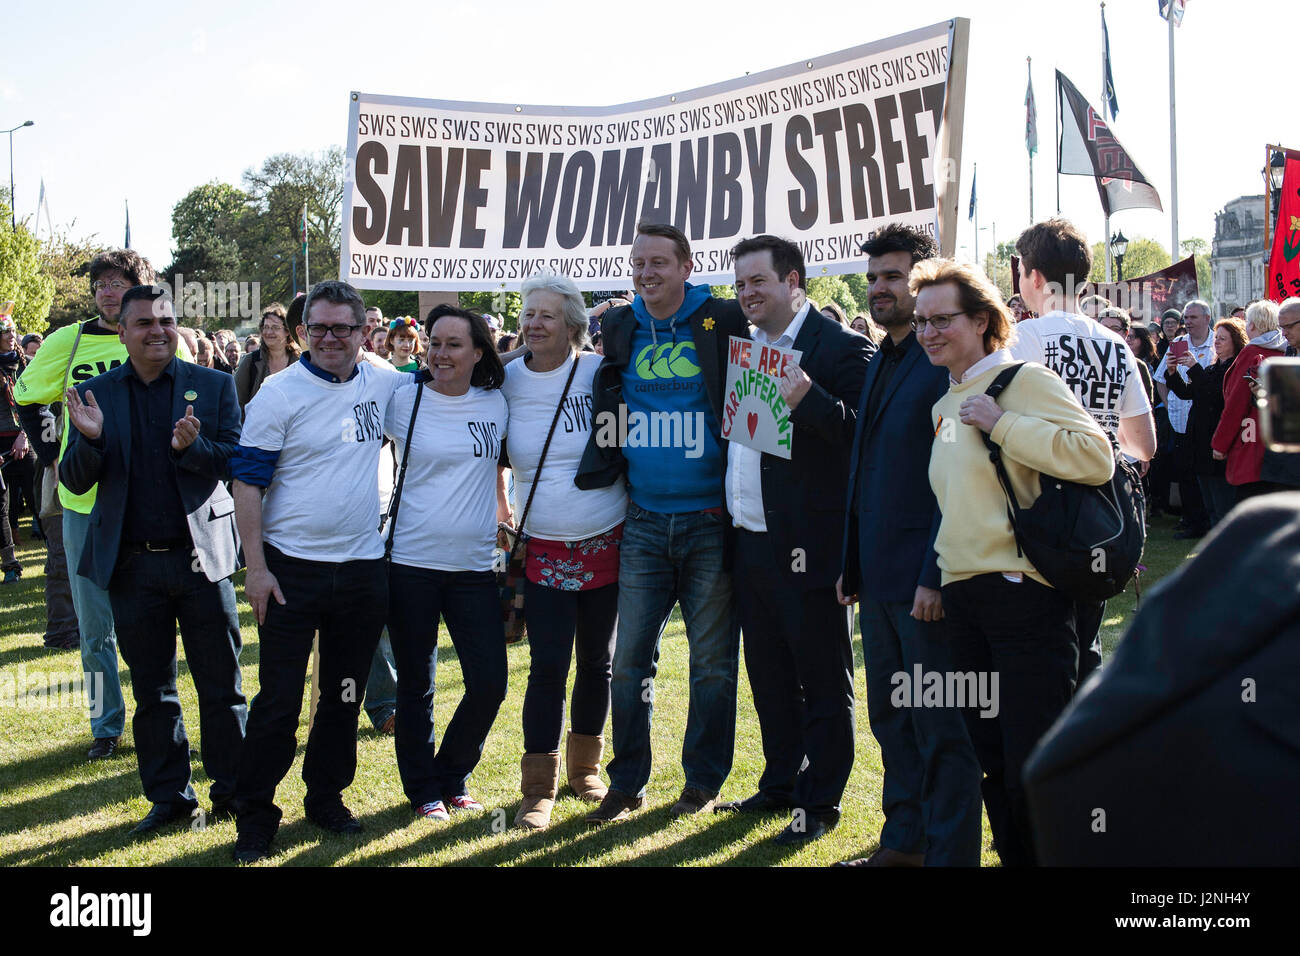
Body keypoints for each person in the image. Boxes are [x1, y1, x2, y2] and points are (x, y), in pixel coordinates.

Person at [914, 257, 1113, 866]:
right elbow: (956, 505)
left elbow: (1096, 455)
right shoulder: (945, 404)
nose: (927, 332)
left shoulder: (1022, 381)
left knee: (1035, 760)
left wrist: (1004, 425)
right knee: (994, 761)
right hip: (967, 603)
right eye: (921, 321)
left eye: (941, 319)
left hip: (1026, 599)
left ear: (982, 321)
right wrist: (940, 579)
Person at [228, 279, 404, 863]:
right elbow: (248, 483)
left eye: (343, 328)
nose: (331, 338)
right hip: (289, 571)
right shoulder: (278, 394)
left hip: (360, 570)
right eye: (319, 328)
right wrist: (255, 569)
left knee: (344, 695)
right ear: (303, 332)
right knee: (277, 702)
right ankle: (255, 814)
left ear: (364, 332)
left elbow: (455, 385)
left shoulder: (386, 381)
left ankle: (326, 796)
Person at [59, 285, 246, 834]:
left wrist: (195, 450)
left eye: (165, 319)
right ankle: (171, 800)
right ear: (122, 332)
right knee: (153, 690)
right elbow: (73, 478)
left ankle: (233, 792)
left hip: (201, 561)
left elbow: (235, 460)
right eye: (143, 323)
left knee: (223, 684)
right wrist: (90, 442)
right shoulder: (94, 395)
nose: (157, 330)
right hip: (133, 566)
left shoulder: (212, 386)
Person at [578, 221, 748, 824]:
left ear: (685, 264)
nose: (646, 274)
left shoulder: (724, 318)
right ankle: (626, 782)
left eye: (658, 262)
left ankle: (702, 780)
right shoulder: (621, 325)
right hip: (644, 519)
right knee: (628, 663)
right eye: (637, 264)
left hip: (711, 519)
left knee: (712, 663)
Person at [707, 235, 870, 846]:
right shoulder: (742, 346)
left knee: (823, 677)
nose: (747, 293)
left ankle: (819, 802)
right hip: (749, 538)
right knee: (768, 672)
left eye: (758, 281)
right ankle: (780, 784)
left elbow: (861, 438)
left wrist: (810, 398)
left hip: (810, 544)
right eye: (740, 283)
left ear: (793, 280)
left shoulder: (840, 347)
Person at [836, 224, 982, 867]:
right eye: (872, 279)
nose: (879, 289)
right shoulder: (885, 358)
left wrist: (933, 576)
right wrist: (850, 564)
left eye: (892, 276)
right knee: (892, 719)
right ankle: (903, 843)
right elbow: (865, 469)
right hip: (877, 578)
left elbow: (956, 490)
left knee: (941, 726)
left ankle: (949, 855)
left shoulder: (945, 368)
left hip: (929, 583)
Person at [14, 249, 192, 759]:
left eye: (118, 283)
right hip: (85, 502)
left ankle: (160, 717)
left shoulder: (160, 336)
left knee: (156, 621)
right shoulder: (64, 342)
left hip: (149, 500)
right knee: (94, 627)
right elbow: (25, 396)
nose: (108, 292)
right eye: (101, 285)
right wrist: (51, 453)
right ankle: (105, 725)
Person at [497, 273, 627, 829]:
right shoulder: (504, 381)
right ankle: (537, 788)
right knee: (547, 664)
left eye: (547, 315)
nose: (533, 324)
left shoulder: (600, 374)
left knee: (597, 662)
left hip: (607, 538)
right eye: (528, 314)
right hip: (542, 546)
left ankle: (586, 770)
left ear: (573, 324)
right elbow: (487, 452)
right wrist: (501, 513)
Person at [1011, 218, 1154, 687]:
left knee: (1036, 657)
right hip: (1100, 513)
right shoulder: (1117, 345)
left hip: (1037, 510)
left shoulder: (1023, 339)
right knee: (1084, 645)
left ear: (1032, 276)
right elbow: (1143, 445)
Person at [385, 307, 508, 822]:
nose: (440, 354)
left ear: (478, 352)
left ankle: (453, 772)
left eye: (454, 345)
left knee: (490, 682)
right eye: (434, 343)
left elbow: (527, 363)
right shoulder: (401, 397)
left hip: (476, 567)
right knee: (417, 683)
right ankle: (423, 789)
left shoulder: (499, 402)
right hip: (409, 564)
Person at [1164, 318, 1245, 527]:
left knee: (1221, 499)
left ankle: (1223, 541)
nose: (1216, 342)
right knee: (1208, 498)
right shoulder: (1211, 368)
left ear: (1235, 342)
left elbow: (1213, 395)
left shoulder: (1233, 369)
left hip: (1217, 438)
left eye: (1222, 339)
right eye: (1216, 338)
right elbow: (1187, 393)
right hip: (1199, 440)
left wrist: (1193, 367)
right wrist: (1172, 373)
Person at [1211, 300, 1287, 501]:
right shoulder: (1286, 350)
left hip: (1251, 440)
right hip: (1279, 443)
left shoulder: (1252, 353)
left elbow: (1236, 403)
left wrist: (1220, 443)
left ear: (1252, 325)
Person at [1154, 300, 1217, 539]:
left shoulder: (1216, 344)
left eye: (1193, 317)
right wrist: (1169, 405)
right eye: (1186, 318)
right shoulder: (1178, 344)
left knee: (1205, 472)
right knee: (1185, 472)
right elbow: (1161, 378)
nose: (1188, 322)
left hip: (1207, 420)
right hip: (1181, 418)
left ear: (1206, 318)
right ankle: (1190, 520)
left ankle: (1208, 520)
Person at [1, 319, 34, 563]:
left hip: (26, 439)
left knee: (37, 496)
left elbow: (37, 403)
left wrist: (24, 435)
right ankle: (11, 561)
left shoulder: (27, 365)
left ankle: (55, 552)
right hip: (0, 442)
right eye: (5, 332)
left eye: (12, 330)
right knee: (4, 504)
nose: (10, 335)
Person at [234, 304, 301, 410]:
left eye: (275, 327)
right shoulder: (250, 362)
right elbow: (237, 402)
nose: (269, 332)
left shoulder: (300, 363)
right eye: (266, 327)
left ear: (287, 331)